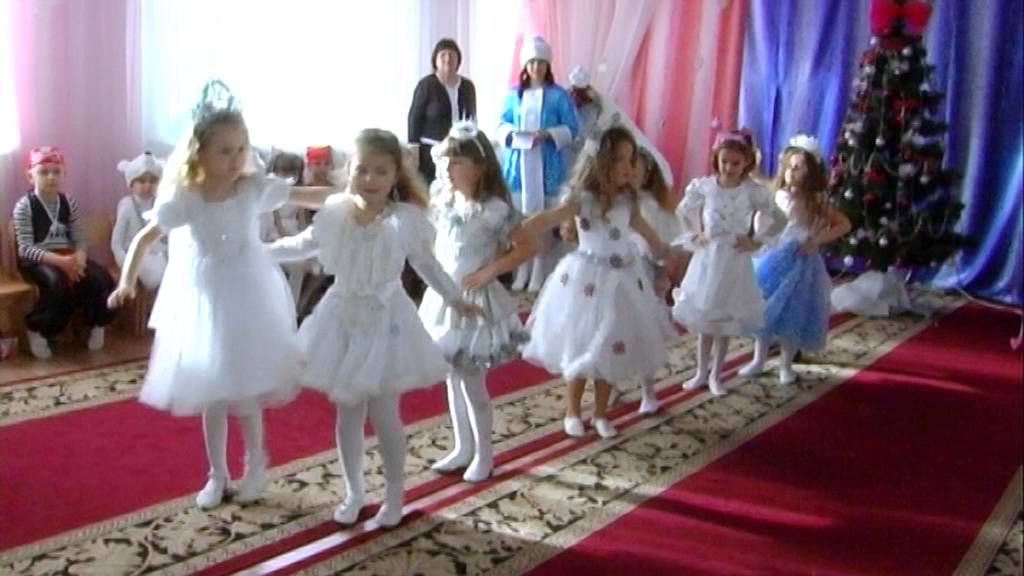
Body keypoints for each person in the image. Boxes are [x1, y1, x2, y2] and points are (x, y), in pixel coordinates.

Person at [107, 81, 325, 509]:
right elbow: (145, 238)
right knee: (213, 391)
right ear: (200, 153)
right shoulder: (186, 197)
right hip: (203, 301)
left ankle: (255, 465)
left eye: (241, 149)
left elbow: (303, 195)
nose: (235, 158)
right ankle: (216, 473)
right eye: (225, 150)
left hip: (248, 295)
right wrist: (126, 281)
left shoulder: (251, 188)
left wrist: (351, 198)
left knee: (246, 388)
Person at [268, 128, 481, 527]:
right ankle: (354, 492)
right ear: (349, 169)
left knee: (385, 415)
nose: (370, 179)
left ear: (395, 175)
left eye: (381, 171)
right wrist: (257, 252)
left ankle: (394, 496)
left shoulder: (405, 221)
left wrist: (454, 298)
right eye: (362, 170)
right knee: (348, 413)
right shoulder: (336, 213)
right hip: (341, 319)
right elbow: (302, 244)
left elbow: (427, 264)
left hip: (387, 320)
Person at [519, 126, 675, 439]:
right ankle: (573, 411)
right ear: (602, 163)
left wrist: (665, 252)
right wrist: (521, 228)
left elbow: (646, 232)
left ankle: (601, 413)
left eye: (631, 160)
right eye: (620, 160)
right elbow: (551, 217)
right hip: (586, 280)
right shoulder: (584, 199)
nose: (628, 167)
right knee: (580, 343)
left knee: (611, 346)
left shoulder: (628, 201)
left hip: (624, 280)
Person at [419, 121, 535, 481]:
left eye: (457, 162)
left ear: (479, 167)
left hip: (475, 302)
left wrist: (490, 271)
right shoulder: (444, 200)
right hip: (446, 299)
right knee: (451, 376)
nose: (448, 168)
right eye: (446, 161)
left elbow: (528, 246)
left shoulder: (493, 210)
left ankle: (485, 454)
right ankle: (462, 446)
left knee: (471, 380)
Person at [671, 129, 785, 396]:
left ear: (746, 163)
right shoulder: (705, 187)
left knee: (724, 322)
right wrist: (694, 235)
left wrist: (757, 240)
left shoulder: (751, 191)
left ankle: (716, 375)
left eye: (736, 163)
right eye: (725, 161)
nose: (729, 167)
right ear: (716, 159)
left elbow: (779, 218)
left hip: (734, 261)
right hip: (708, 260)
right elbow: (682, 211)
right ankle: (701, 372)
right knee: (705, 320)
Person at [739, 135, 851, 383]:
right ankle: (758, 359)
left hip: (800, 262)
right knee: (764, 308)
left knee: (793, 311)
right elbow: (758, 181)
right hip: (772, 258)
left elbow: (844, 223)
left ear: (810, 173)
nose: (792, 171)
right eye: (789, 166)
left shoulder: (813, 202)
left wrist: (817, 240)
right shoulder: (776, 192)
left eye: (799, 167)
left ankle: (786, 364)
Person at [13, 146, 117, 359]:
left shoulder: (69, 202)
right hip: (38, 260)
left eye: (56, 171)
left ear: (63, 174)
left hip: (68, 255)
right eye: (44, 172)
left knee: (101, 279)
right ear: (30, 176)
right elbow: (25, 249)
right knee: (57, 284)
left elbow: (79, 238)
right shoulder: (24, 206)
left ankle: (97, 323)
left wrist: (80, 258)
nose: (51, 177)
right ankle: (37, 328)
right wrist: (61, 263)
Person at [498, 36, 579, 292]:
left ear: (547, 65)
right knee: (521, 219)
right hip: (519, 165)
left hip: (547, 164)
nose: (536, 67)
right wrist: (513, 133)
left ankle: (539, 270)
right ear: (525, 65)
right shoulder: (514, 95)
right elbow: (502, 124)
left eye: (541, 62)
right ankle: (521, 268)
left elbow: (572, 127)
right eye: (532, 62)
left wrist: (548, 134)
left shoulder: (558, 95)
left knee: (542, 219)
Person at [408, 38, 477, 184]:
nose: (448, 59)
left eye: (452, 55)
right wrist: (414, 151)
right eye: (443, 55)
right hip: (430, 152)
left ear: (458, 60)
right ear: (435, 60)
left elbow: (472, 118)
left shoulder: (468, 86)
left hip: (459, 151)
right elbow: (414, 117)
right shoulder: (426, 85)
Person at [112, 151, 167, 290]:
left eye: (152, 181)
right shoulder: (127, 205)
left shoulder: (159, 204)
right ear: (131, 184)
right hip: (134, 256)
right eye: (142, 181)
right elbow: (116, 243)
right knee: (155, 273)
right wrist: (126, 265)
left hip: (157, 253)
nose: (147, 186)